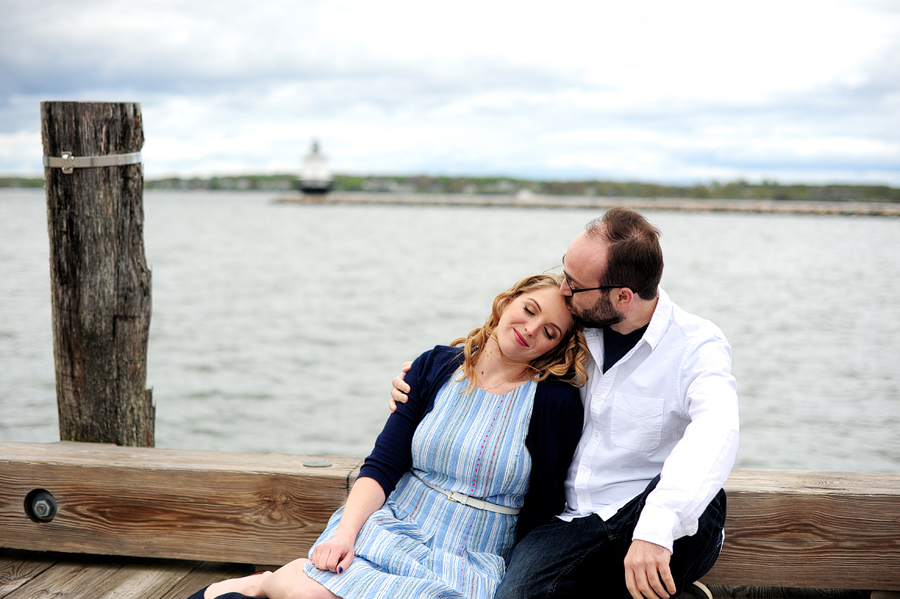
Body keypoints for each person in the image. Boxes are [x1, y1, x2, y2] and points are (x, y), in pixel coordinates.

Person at [391, 207, 740, 599]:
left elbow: (717, 430)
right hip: (573, 522)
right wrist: (423, 380)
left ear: (622, 297)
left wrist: (656, 528)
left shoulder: (696, 345)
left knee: (694, 515)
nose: (563, 291)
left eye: (574, 284)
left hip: (653, 511)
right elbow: (501, 346)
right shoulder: (570, 332)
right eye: (565, 273)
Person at [188, 273, 590, 599]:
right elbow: (383, 464)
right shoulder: (434, 367)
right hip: (400, 523)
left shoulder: (555, 402)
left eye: (550, 331)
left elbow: (543, 508)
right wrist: (345, 533)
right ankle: (266, 582)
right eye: (529, 310)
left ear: (553, 348)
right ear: (507, 302)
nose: (531, 329)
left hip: (473, 554)